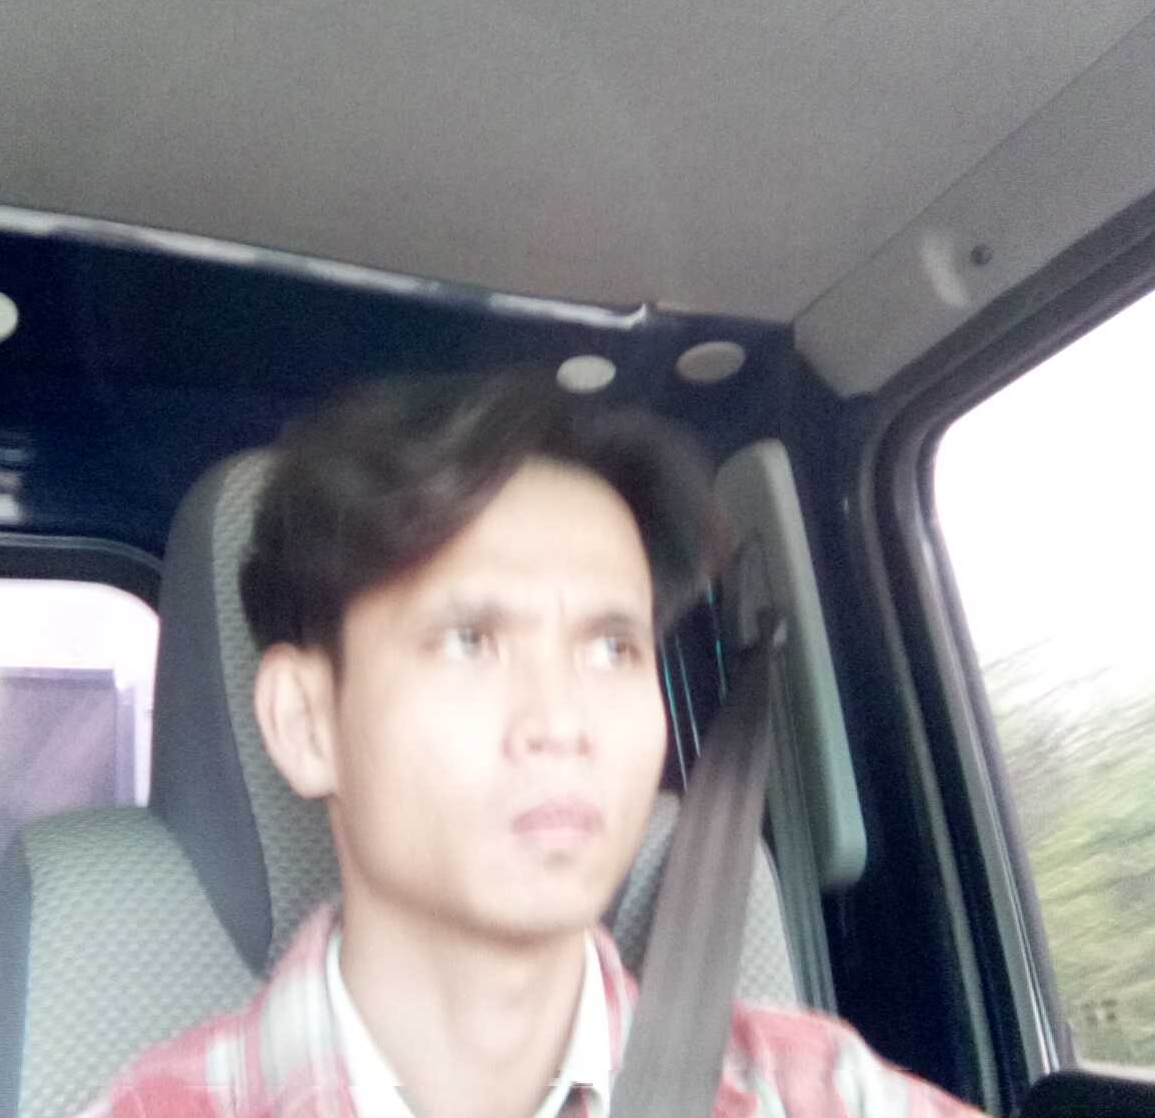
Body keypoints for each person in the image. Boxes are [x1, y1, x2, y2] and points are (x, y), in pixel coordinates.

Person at [84, 371, 982, 1118]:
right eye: (468, 641)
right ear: (306, 723)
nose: (562, 723)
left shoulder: (816, 1093)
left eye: (612, 649)